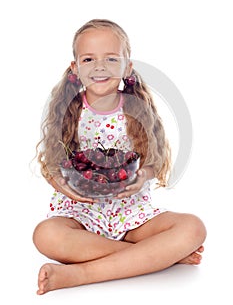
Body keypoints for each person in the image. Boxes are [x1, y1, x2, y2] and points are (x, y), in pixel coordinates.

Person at [33, 19, 207, 295]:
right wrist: (61, 184)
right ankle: (158, 257)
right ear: (75, 68)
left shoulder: (137, 109)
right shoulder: (68, 110)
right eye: (89, 59)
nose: (99, 67)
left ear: (127, 67)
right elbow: (52, 165)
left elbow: (153, 160)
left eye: (111, 58)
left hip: (132, 213)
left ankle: (80, 273)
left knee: (193, 228)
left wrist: (142, 178)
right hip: (82, 214)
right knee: (45, 235)